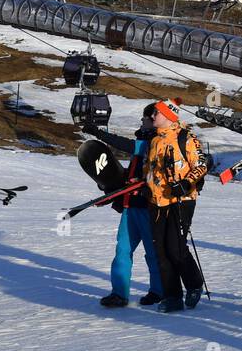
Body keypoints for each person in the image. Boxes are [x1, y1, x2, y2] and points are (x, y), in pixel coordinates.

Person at [84, 104, 164, 308]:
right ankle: (119, 293)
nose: (142, 122)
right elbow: (130, 172)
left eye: (145, 118)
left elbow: (125, 145)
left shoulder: (155, 143)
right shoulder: (143, 142)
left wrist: (98, 133)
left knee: (152, 253)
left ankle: (158, 291)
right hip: (130, 208)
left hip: (149, 208)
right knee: (122, 250)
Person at [145, 100, 208, 313]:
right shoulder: (154, 140)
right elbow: (150, 169)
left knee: (175, 247)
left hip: (182, 200)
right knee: (160, 250)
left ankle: (194, 284)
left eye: (156, 113)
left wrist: (186, 183)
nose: (153, 116)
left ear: (168, 116)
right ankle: (172, 296)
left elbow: (201, 164)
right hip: (157, 201)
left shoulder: (185, 137)